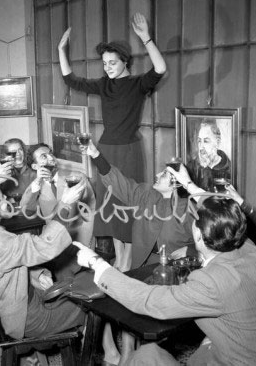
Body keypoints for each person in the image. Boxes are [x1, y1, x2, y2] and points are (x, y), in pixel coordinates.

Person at [73, 194, 256, 366]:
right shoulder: (249, 249)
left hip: (236, 360)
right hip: (247, 350)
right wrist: (189, 183)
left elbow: (149, 300)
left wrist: (97, 263)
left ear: (198, 234)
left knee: (145, 356)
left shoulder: (211, 282)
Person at [58, 12, 167, 272]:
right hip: (104, 151)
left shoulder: (138, 84)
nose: (107, 67)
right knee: (110, 208)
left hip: (129, 151)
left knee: (127, 207)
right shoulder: (104, 85)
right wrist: (61, 50)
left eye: (112, 63)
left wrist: (146, 38)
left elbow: (160, 69)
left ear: (125, 62)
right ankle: (120, 258)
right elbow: (70, 79)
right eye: (104, 63)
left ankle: (128, 261)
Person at [82, 140, 197, 365]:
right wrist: (96, 154)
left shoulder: (188, 207)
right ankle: (118, 353)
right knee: (111, 294)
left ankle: (135, 355)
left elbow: (212, 237)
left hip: (172, 272)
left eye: (163, 174)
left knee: (138, 301)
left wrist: (190, 248)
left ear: (175, 183)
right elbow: (118, 181)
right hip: (143, 264)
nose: (157, 175)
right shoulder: (146, 194)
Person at [0, 180, 85, 363]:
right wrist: (66, 204)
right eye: (2, 197)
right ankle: (101, 356)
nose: (6, 198)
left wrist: (38, 275)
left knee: (77, 289)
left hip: (20, 305)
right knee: (92, 305)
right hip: (28, 318)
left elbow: (14, 261)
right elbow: (45, 246)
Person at [22, 143, 96, 248]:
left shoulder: (76, 178)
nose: (50, 158)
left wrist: (83, 242)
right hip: (52, 240)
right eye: (44, 156)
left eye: (50, 154)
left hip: (79, 239)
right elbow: (27, 209)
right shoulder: (37, 186)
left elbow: (90, 210)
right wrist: (37, 181)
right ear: (35, 166)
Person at [187, 118, 231, 192]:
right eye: (199, 141)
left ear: (217, 143)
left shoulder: (229, 168)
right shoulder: (192, 166)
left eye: (206, 141)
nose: (201, 146)